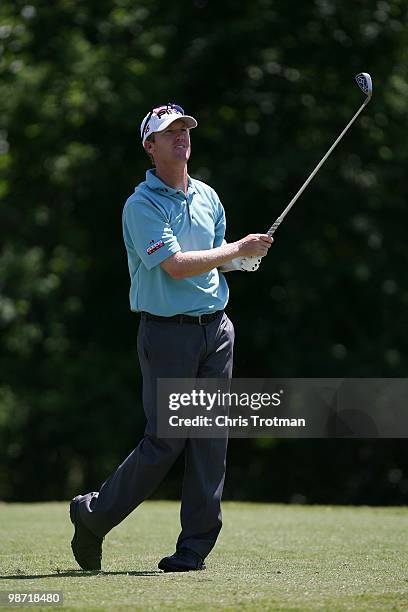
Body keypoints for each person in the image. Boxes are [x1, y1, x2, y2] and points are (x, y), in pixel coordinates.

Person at [69, 103, 273, 572]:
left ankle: (193, 550)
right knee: (166, 440)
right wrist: (234, 249)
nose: (181, 136)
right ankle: (92, 515)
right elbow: (177, 265)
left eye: (185, 129)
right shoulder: (141, 205)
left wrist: (245, 257)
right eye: (169, 132)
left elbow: (218, 260)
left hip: (216, 330)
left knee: (210, 439)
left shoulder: (208, 196)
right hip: (167, 335)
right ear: (151, 145)